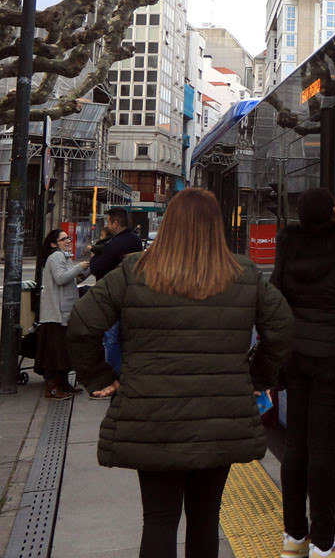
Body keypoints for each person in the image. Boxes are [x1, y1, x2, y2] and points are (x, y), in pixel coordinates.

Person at [66, 188, 293, 558]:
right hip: (219, 417)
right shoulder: (243, 273)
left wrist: (100, 377)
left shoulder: (133, 270)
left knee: (158, 518)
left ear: (169, 224)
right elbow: (281, 327)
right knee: (205, 518)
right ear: (215, 227)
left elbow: (80, 324)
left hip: (152, 417)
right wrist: (257, 378)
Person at [272, 187, 335, 558]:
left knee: (296, 446)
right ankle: (324, 545)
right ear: (333, 211)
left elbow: (275, 298)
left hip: (296, 359)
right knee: (323, 449)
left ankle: (294, 539)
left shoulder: (289, 247)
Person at [88, 207, 143, 379]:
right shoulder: (134, 240)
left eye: (108, 221)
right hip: (131, 294)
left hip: (112, 296)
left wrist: (94, 256)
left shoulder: (114, 244)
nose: (107, 225)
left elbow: (97, 268)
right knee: (124, 337)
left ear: (115, 223)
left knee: (110, 338)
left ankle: (112, 376)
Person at [37, 229, 89, 400]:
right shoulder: (56, 257)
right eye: (64, 238)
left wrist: (88, 268)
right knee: (56, 351)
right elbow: (60, 278)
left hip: (63, 312)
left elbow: (71, 280)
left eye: (68, 237)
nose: (68, 240)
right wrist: (79, 267)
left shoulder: (62, 256)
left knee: (63, 351)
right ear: (54, 243)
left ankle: (63, 384)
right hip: (57, 314)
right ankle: (52, 388)